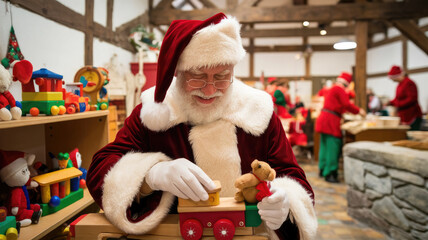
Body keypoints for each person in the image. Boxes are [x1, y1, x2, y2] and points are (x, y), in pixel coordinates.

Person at [86, 13, 317, 239]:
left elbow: (294, 177)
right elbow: (100, 170)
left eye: (221, 76)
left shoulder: (258, 111)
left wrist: (285, 200)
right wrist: (151, 174)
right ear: (177, 73)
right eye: (197, 76)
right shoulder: (153, 112)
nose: (209, 90)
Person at [315, 72, 365, 183]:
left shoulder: (332, 88)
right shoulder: (339, 89)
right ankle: (331, 173)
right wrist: (359, 111)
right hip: (331, 120)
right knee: (333, 146)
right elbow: (346, 104)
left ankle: (322, 169)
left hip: (324, 118)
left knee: (324, 145)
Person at [387, 65, 422, 130]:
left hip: (412, 114)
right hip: (403, 115)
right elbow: (397, 99)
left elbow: (412, 99)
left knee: (411, 136)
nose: (393, 81)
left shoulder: (409, 83)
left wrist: (398, 104)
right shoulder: (399, 85)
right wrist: (390, 102)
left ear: (397, 76)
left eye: (393, 79)